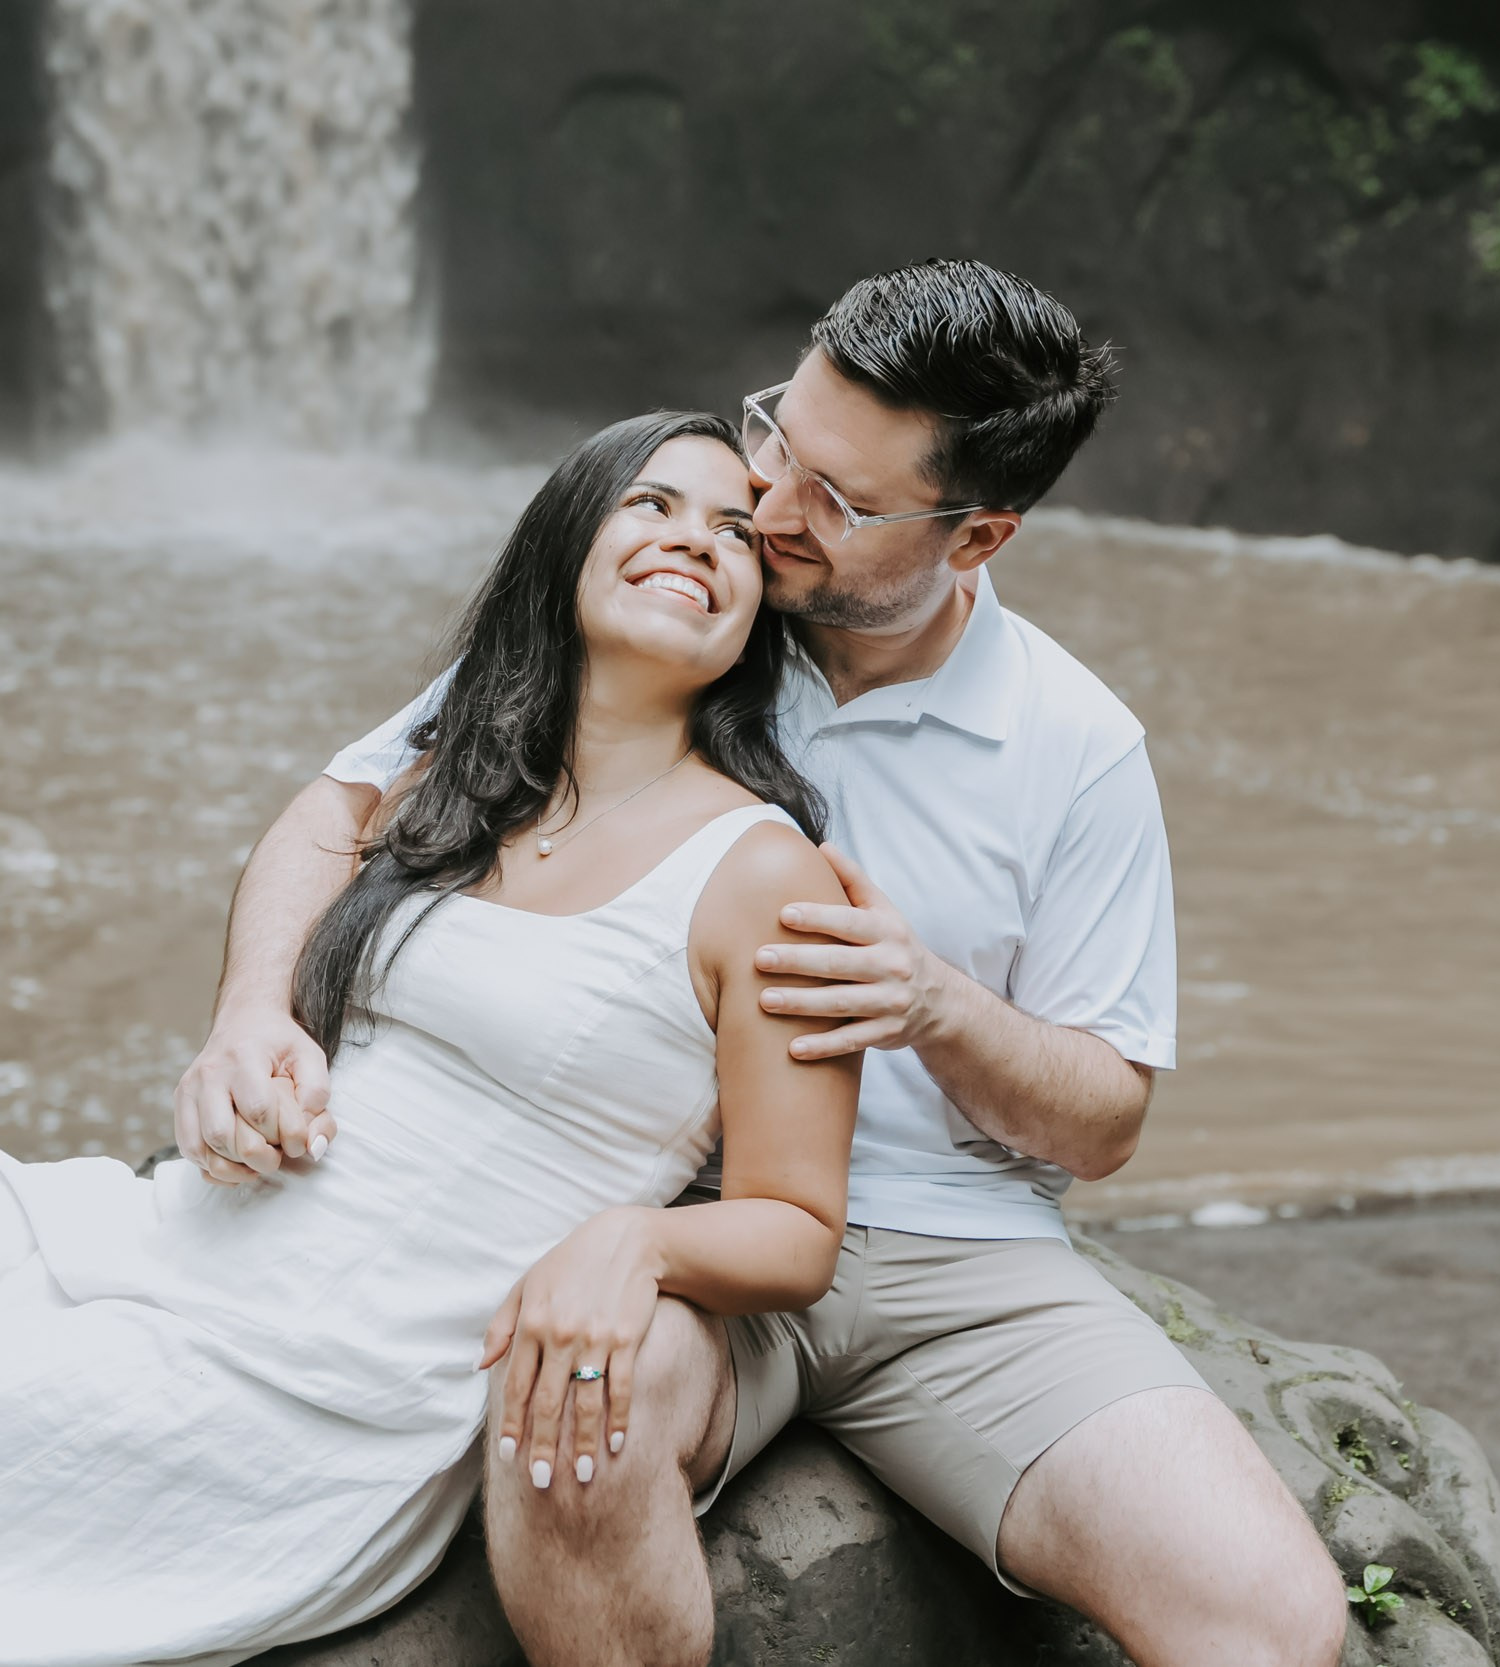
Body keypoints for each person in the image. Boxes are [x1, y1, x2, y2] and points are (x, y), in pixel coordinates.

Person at [0, 413, 864, 1667]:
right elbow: (321, 824)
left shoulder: (760, 872)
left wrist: (638, 1244)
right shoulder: (469, 775)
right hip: (154, 1233)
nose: (697, 540)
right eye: (652, 503)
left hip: (320, 1372)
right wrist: (249, 1026)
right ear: (566, 542)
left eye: (736, 532)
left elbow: (798, 1226)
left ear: (758, 614)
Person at [177, 262, 1349, 1667]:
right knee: (570, 1435)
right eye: (776, 434)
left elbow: (1105, 1123)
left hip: (952, 1257)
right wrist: (250, 1012)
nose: (771, 502)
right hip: (683, 1221)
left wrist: (937, 1006)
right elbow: (346, 804)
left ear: (978, 535)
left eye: (838, 499)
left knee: (1275, 1625)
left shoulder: (1077, 748)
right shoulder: (681, 610)